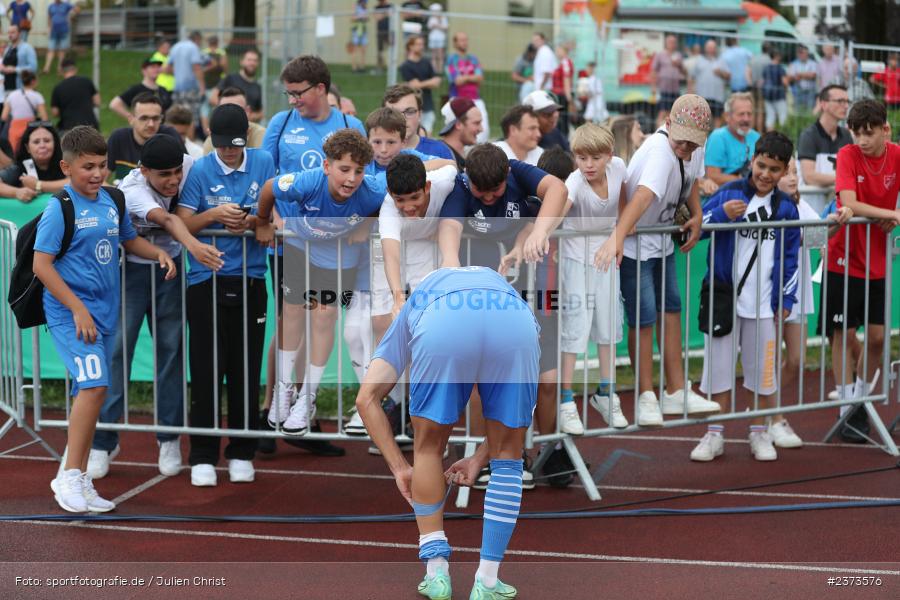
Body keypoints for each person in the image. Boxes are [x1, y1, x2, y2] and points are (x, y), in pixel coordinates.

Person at [357, 266, 538, 600]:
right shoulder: (502, 288)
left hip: (442, 319)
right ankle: (486, 582)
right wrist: (481, 458)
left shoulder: (416, 303)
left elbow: (366, 399)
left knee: (427, 448)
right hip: (513, 317)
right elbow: (516, 421)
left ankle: (436, 571)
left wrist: (400, 468)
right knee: (509, 454)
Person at [38, 126, 175, 513]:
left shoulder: (111, 200)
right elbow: (42, 265)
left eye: (102, 166)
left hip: (103, 312)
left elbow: (129, 240)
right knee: (95, 387)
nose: (97, 174)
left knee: (93, 390)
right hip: (71, 314)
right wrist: (77, 307)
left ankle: (79, 476)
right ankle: (68, 475)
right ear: (66, 167)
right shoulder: (59, 207)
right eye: (88, 167)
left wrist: (157, 254)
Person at [88, 134, 223, 480]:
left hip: (171, 275)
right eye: (165, 175)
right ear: (144, 170)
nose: (174, 179)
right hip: (131, 272)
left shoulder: (191, 163)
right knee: (117, 352)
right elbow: (168, 221)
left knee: (171, 353)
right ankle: (103, 441)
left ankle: (168, 438)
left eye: (178, 170)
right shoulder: (131, 189)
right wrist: (194, 245)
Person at [437, 143, 569, 469]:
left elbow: (558, 188)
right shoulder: (462, 185)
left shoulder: (517, 171)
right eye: (480, 193)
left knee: (536, 377)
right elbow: (449, 227)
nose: (487, 199)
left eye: (494, 192)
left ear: (507, 175)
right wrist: (451, 266)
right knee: (484, 382)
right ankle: (491, 456)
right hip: (482, 294)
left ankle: (542, 453)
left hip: (526, 290)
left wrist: (539, 231)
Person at [595, 94, 721, 425]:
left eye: (694, 143)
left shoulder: (694, 147)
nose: (687, 148)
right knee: (644, 318)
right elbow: (643, 195)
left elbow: (691, 178)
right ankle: (646, 394)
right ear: (667, 125)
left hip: (660, 241)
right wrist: (617, 238)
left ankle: (677, 390)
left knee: (672, 310)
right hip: (637, 246)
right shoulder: (659, 153)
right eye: (682, 141)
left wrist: (697, 214)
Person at [254, 129, 385, 438]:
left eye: (358, 171)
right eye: (344, 169)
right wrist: (262, 221)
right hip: (300, 247)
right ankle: (284, 389)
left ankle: (307, 396)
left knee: (325, 317)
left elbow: (389, 205)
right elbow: (270, 187)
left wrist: (368, 223)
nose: (351, 178)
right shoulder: (308, 181)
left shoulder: (373, 190)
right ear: (327, 166)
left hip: (339, 258)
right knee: (293, 312)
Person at [175, 104, 275, 486]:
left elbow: (275, 209)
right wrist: (216, 217)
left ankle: (242, 450)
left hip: (250, 279)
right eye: (222, 146)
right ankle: (202, 454)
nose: (229, 153)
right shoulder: (200, 168)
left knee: (245, 369)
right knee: (204, 369)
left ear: (246, 138)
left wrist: (255, 221)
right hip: (205, 279)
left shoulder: (263, 161)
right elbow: (183, 222)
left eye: (235, 146)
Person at [692, 131, 800, 462]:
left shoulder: (785, 209)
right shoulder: (730, 192)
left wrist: (785, 300)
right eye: (761, 165)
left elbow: (791, 255)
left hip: (764, 305)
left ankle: (758, 432)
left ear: (784, 171)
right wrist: (722, 213)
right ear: (752, 160)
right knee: (719, 370)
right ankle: (714, 434)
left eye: (775, 169)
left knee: (762, 373)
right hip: (725, 299)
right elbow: (697, 226)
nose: (766, 174)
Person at [343, 154, 458, 437]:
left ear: (427, 187)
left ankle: (421, 400)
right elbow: (391, 256)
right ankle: (392, 400)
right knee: (382, 322)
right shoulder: (389, 211)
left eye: (414, 198)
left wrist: (425, 167)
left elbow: (451, 163)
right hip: (392, 251)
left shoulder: (443, 181)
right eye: (400, 200)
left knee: (425, 324)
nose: (408, 207)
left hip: (425, 250)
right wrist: (397, 298)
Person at [820, 99, 900, 443]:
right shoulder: (850, 155)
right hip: (844, 256)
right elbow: (849, 202)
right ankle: (847, 402)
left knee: (879, 336)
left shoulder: (896, 154)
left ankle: (860, 398)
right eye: (857, 133)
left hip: (878, 258)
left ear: (886, 130)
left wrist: (889, 213)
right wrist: (889, 214)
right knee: (843, 332)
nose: (863, 140)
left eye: (870, 133)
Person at [775, 157, 852, 450]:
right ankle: (772, 416)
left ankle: (763, 406)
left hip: (796, 293)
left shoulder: (799, 205)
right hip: (767, 293)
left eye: (795, 172)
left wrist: (834, 223)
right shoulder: (761, 204)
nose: (794, 178)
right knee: (766, 362)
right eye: (787, 173)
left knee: (796, 360)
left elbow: (818, 234)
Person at [560, 123, 627, 429]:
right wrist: (541, 234)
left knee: (608, 325)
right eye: (582, 158)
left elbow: (625, 206)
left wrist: (619, 237)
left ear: (609, 156)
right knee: (576, 327)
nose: (588, 165)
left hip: (606, 260)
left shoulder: (619, 169)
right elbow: (560, 210)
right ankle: (565, 399)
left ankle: (606, 392)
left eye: (595, 158)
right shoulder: (574, 181)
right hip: (576, 261)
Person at [263, 54, 366, 175]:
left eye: (297, 94)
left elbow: (364, 177)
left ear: (320, 89)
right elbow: (263, 174)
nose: (291, 101)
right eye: (289, 94)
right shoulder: (280, 123)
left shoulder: (352, 126)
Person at [106, 92, 184, 183]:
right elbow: (100, 180)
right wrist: (117, 195)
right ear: (131, 119)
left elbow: (186, 177)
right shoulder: (118, 138)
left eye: (155, 118)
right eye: (144, 118)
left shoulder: (170, 137)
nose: (151, 124)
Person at [797, 84, 852, 188]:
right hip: (813, 202)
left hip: (839, 201)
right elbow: (808, 176)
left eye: (847, 101)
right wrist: (843, 178)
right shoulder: (809, 136)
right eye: (840, 101)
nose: (846, 106)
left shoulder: (846, 135)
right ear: (823, 104)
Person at [383, 83, 453, 160]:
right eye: (394, 113)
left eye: (409, 111)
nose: (402, 119)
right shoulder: (375, 154)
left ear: (420, 115)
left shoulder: (439, 151)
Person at [0, 121, 66, 201]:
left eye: (47, 140)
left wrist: (38, 185)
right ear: (27, 148)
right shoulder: (19, 168)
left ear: (55, 144)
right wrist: (16, 192)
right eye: (36, 142)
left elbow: (76, 182)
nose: (42, 145)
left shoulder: (65, 164)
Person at [704, 92, 761, 186]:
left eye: (749, 114)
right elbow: (712, 176)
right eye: (741, 114)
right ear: (727, 116)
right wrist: (744, 180)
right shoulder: (718, 137)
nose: (746, 119)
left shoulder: (756, 137)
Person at [445, 32, 488, 144]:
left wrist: (465, 77)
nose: (465, 43)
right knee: (457, 132)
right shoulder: (451, 60)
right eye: (461, 40)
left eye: (466, 40)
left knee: (483, 132)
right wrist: (472, 77)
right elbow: (457, 80)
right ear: (455, 43)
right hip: (457, 99)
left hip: (475, 99)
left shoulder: (473, 59)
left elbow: (480, 78)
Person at [202, 87, 266, 154]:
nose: (231, 116)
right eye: (225, 112)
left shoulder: (261, 136)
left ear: (248, 111)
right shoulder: (211, 141)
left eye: (237, 111)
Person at [400, 35, 441, 135]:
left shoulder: (426, 62)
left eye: (422, 44)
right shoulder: (405, 66)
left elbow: (436, 82)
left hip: (428, 104)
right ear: (410, 46)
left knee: (428, 134)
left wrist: (419, 84)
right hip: (414, 106)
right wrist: (428, 82)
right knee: (415, 134)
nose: (421, 47)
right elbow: (414, 86)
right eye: (418, 44)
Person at [210, 48, 262, 122]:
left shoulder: (257, 86)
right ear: (242, 62)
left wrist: (250, 116)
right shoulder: (230, 78)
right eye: (249, 60)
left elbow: (260, 113)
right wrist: (230, 112)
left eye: (255, 60)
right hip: (226, 123)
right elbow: (213, 98)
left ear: (258, 64)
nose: (252, 63)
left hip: (248, 127)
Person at [166, 31, 205, 126]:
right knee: (190, 118)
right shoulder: (193, 47)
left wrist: (179, 73)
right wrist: (202, 87)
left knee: (177, 118)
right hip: (191, 89)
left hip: (177, 88)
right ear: (197, 39)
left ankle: (177, 139)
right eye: (200, 42)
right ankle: (189, 140)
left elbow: (167, 68)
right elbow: (196, 67)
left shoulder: (175, 47)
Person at [1, 69, 46, 151]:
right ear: (33, 81)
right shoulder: (37, 96)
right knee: (31, 151)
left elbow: (4, 117)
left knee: (14, 152)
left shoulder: (12, 95)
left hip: (15, 127)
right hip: (31, 126)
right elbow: (44, 118)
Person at [50, 58, 99, 133]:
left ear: (62, 71)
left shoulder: (58, 88)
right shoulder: (87, 81)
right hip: (90, 125)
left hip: (68, 127)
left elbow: (55, 112)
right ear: (75, 69)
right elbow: (97, 101)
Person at [689, 40, 728, 127]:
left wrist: (720, 73)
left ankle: (716, 139)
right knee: (701, 120)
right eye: (709, 47)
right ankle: (702, 140)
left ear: (715, 49)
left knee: (717, 119)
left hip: (717, 97)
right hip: (702, 97)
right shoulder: (699, 60)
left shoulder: (721, 61)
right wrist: (690, 92)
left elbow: (728, 76)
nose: (711, 49)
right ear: (705, 48)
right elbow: (691, 76)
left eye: (713, 47)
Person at [437, 97, 483, 169]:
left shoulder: (462, 157)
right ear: (458, 124)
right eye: (476, 123)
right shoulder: (441, 158)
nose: (481, 129)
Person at [650, 34, 685, 127]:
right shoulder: (660, 54)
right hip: (664, 88)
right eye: (670, 42)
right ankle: (657, 133)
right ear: (666, 43)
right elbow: (653, 71)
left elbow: (684, 72)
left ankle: (670, 133)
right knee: (662, 112)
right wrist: (653, 87)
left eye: (674, 42)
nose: (672, 44)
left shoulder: (678, 55)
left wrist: (679, 65)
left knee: (674, 113)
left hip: (675, 89)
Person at [1, 23, 37, 91]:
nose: (10, 35)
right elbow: (4, 65)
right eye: (8, 32)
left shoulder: (27, 48)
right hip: (6, 88)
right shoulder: (8, 49)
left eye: (13, 32)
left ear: (19, 33)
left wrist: (15, 69)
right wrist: (2, 68)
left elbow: (33, 68)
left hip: (20, 88)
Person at [43, 0, 75, 74]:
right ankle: (46, 68)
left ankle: (60, 68)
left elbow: (77, 9)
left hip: (64, 30)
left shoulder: (66, 5)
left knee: (62, 51)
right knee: (51, 49)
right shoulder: (51, 6)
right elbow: (49, 18)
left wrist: (73, 14)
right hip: (53, 31)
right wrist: (48, 28)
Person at [551, 42, 575, 135]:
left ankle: (563, 140)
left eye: (558, 51)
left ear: (564, 51)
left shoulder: (565, 62)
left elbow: (566, 79)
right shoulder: (563, 62)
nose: (556, 53)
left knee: (562, 120)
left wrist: (569, 98)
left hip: (562, 95)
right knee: (562, 120)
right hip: (560, 94)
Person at [761, 51, 788, 132]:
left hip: (768, 96)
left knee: (770, 117)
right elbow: (784, 82)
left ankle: (769, 138)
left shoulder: (766, 68)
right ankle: (781, 139)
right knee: (782, 117)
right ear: (777, 56)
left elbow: (763, 81)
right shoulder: (780, 68)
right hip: (779, 95)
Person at [788, 45, 818, 112]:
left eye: (804, 53)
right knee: (798, 111)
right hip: (797, 91)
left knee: (809, 111)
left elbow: (813, 75)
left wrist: (799, 74)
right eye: (801, 53)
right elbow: (791, 77)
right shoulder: (794, 64)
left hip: (810, 91)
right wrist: (806, 75)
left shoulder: (813, 63)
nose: (803, 55)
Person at [426, 2, 447, 74]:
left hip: (441, 38)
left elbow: (445, 27)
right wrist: (434, 26)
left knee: (440, 55)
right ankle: (434, 70)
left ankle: (440, 70)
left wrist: (438, 24)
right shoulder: (431, 18)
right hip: (432, 38)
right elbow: (429, 27)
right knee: (434, 55)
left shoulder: (443, 17)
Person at [349, 0, 368, 73]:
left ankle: (362, 67)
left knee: (363, 50)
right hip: (356, 30)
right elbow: (352, 18)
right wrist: (360, 17)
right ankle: (354, 67)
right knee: (355, 49)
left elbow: (367, 18)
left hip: (363, 30)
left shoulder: (365, 8)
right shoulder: (356, 7)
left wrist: (365, 18)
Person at [374, 0, 392, 72]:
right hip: (380, 31)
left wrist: (382, 14)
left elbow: (391, 14)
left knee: (391, 49)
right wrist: (385, 13)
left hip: (389, 31)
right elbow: (377, 17)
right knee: (380, 51)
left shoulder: (390, 6)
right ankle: (380, 67)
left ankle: (390, 67)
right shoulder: (376, 7)